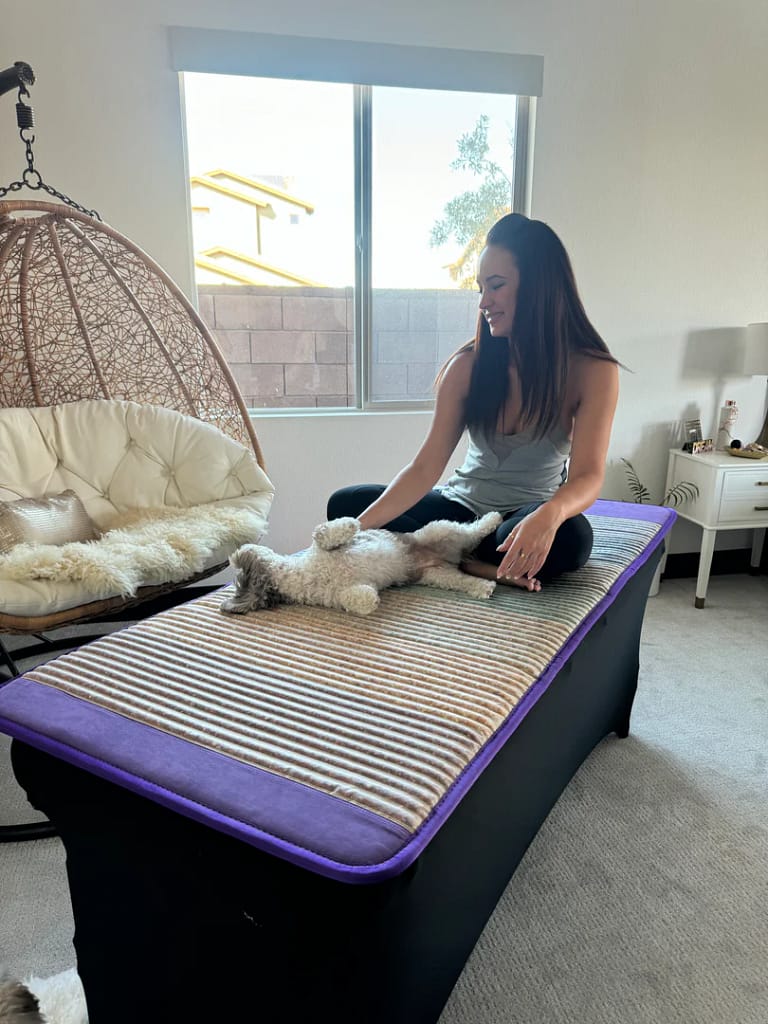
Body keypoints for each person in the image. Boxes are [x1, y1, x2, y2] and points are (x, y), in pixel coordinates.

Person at [328, 212, 619, 591]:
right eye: (481, 288)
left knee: (573, 539)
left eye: (496, 286)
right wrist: (353, 530)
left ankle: (438, 555)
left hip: (522, 516)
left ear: (539, 286)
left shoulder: (593, 370)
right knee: (345, 505)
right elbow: (424, 468)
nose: (484, 302)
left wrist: (552, 513)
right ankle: (469, 561)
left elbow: (588, 476)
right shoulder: (467, 365)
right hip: (460, 510)